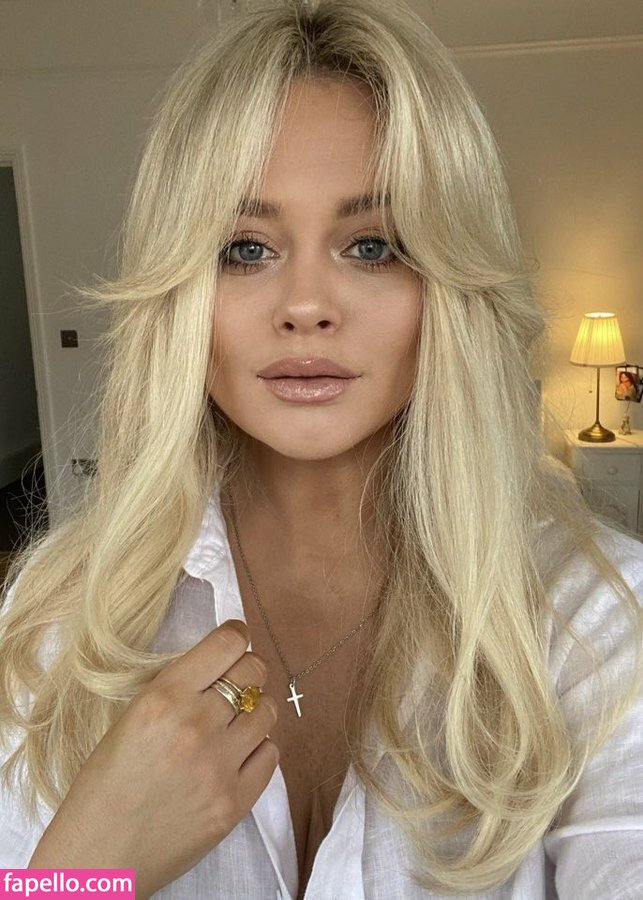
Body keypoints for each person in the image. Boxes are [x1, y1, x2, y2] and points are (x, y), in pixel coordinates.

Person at [1, 1, 642, 897]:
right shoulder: (60, 617)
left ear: (448, 285)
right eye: (245, 248)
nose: (305, 305)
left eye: (371, 245)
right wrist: (85, 868)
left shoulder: (599, 619)